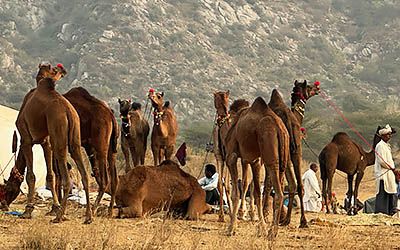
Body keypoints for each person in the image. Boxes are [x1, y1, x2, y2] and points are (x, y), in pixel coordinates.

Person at [374, 124, 398, 215]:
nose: (390, 136)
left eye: (390, 134)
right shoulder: (380, 146)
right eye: (388, 134)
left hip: (389, 174)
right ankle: (381, 213)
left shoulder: (386, 146)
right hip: (383, 175)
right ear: (383, 135)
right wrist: (392, 168)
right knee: (383, 194)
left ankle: (390, 212)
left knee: (390, 193)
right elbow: (382, 161)